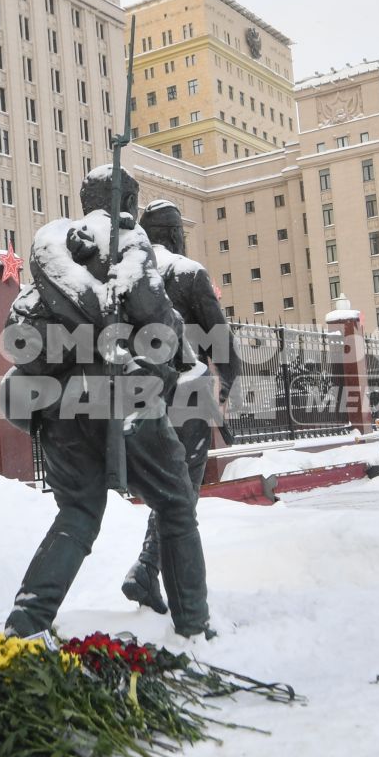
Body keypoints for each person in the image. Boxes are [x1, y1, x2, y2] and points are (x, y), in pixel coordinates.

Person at [0, 168, 213, 639]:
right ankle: (194, 629)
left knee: (77, 513)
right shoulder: (130, 249)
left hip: (58, 410)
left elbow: (18, 339)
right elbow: (157, 320)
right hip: (127, 398)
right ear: (129, 203)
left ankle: (26, 621)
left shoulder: (53, 253)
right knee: (176, 504)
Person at [119, 199, 239, 617]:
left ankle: (148, 572)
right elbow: (225, 350)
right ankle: (155, 575)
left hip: (143, 402)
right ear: (173, 235)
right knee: (181, 498)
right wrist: (218, 403)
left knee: (170, 495)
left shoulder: (131, 277)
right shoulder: (189, 274)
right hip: (189, 398)